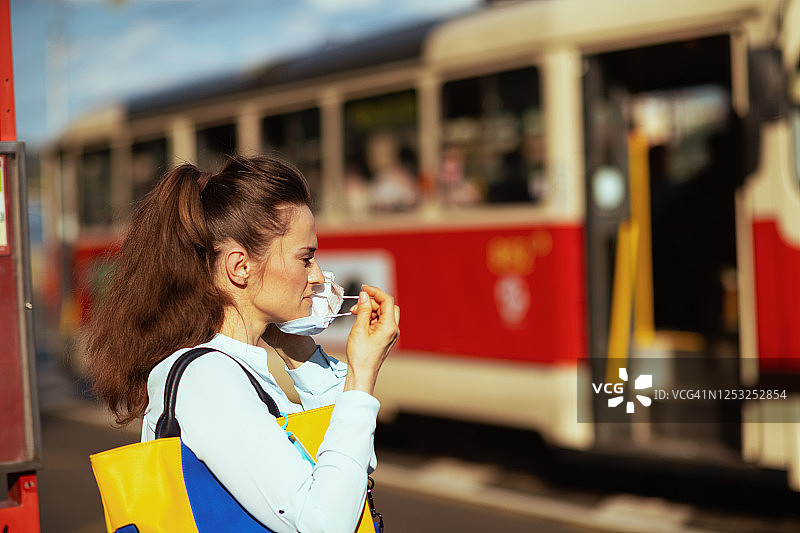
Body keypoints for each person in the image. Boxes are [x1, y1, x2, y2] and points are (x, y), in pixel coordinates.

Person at [82, 154, 399, 533]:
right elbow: (324, 522)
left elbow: (347, 472)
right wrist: (361, 373)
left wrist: (299, 352)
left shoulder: (233, 367)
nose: (317, 276)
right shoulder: (208, 377)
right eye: (306, 257)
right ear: (240, 267)